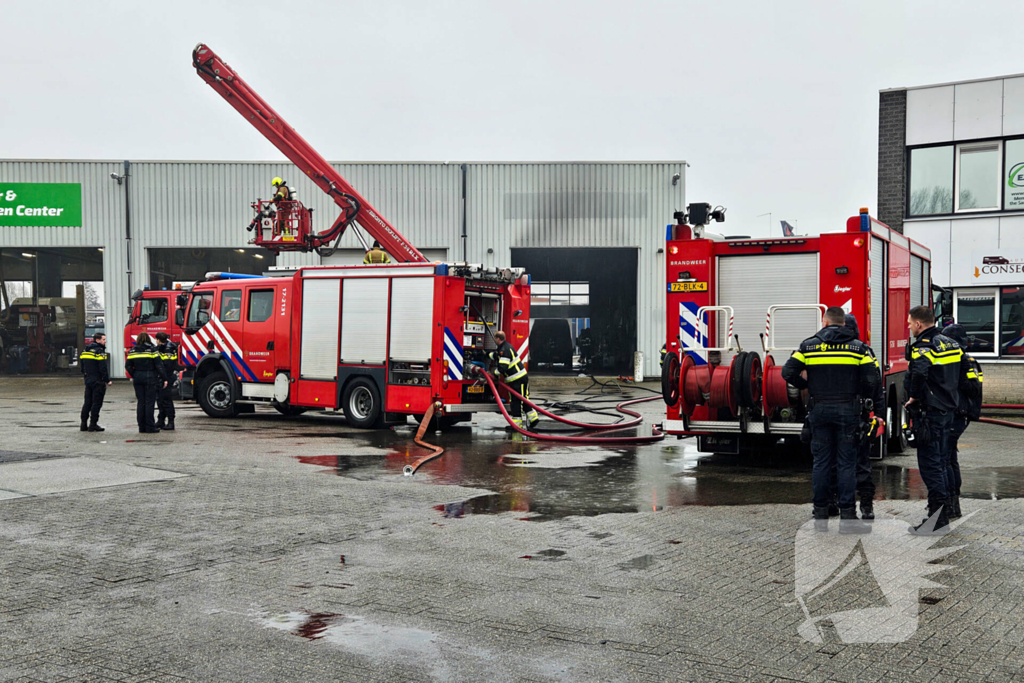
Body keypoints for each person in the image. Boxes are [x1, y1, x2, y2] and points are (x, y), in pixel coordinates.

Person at [782, 306, 879, 534]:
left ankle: (821, 518)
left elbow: (787, 372)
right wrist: (859, 394)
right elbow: (872, 379)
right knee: (846, 464)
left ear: (824, 322)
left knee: (821, 463)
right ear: (844, 324)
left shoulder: (809, 346)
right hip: (848, 410)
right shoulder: (859, 348)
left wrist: (809, 386)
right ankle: (848, 520)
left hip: (819, 409)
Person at [905, 305, 968, 535]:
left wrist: (913, 396)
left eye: (910, 323)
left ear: (919, 324)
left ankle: (936, 519)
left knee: (931, 467)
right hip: (948, 411)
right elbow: (964, 372)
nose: (909, 326)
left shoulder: (924, 345)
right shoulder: (951, 343)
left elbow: (919, 372)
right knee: (941, 463)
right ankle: (942, 514)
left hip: (931, 414)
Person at [940, 323, 983, 520]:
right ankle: (953, 504)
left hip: (958, 414)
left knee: (946, 458)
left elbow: (973, 389)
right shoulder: (966, 361)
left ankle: (950, 503)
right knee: (950, 458)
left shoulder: (966, 362)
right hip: (959, 413)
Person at [489, 330, 539, 430]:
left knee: (517, 401)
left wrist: (493, 375)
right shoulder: (504, 347)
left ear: (498, 339)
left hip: (517, 379)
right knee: (521, 399)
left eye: (495, 338)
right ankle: (531, 420)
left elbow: (503, 367)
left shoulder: (505, 350)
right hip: (518, 378)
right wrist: (486, 354)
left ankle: (525, 422)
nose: (494, 340)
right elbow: (496, 355)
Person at [125, 332, 169, 434]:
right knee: (149, 403)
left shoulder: (133, 351)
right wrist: (164, 378)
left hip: (138, 378)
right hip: (150, 378)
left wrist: (135, 374)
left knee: (141, 403)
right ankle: (150, 427)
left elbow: (128, 366)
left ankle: (141, 427)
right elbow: (159, 366)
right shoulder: (152, 350)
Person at [79, 332, 111, 432]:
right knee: (96, 403)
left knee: (87, 402)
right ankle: (93, 425)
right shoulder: (99, 351)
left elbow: (82, 366)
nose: (105, 341)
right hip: (98, 380)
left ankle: (83, 424)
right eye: (103, 339)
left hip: (88, 379)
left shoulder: (85, 350)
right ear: (97, 340)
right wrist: (107, 380)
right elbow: (103, 368)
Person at [155, 332, 180, 431]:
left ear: (158, 339)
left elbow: (164, 365)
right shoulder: (171, 347)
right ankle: (161, 421)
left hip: (165, 377)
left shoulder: (164, 349)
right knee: (161, 400)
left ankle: (170, 422)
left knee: (166, 400)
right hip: (166, 377)